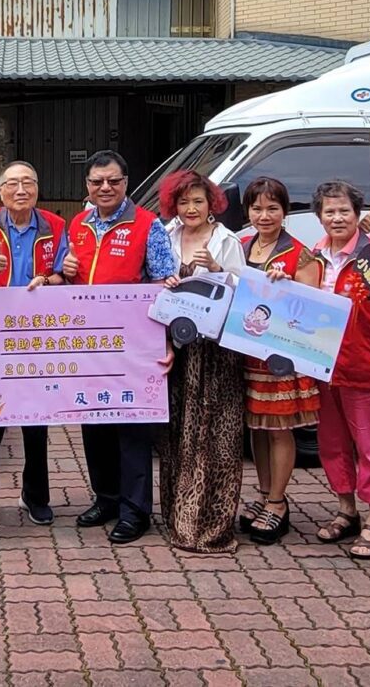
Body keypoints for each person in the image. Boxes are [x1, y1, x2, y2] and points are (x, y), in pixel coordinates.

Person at [63, 150, 178, 545]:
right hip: (89, 345)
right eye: (97, 182)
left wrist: (167, 341)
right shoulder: (77, 224)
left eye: (113, 181)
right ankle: (107, 498)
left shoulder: (149, 226)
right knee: (94, 426)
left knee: (131, 430)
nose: (105, 188)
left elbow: (167, 285)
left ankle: (135, 511)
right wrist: (62, 273)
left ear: (126, 182)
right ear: (88, 186)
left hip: (134, 348)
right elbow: (67, 276)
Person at [0, 160, 67, 528]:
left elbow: (63, 274)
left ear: (37, 188)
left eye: (28, 183)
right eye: (13, 184)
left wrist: (48, 279)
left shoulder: (55, 226)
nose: (21, 190)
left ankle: (36, 497)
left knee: (36, 421)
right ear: (0, 190)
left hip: (36, 335)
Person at [309, 179, 370, 560]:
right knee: (332, 445)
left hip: (368, 367)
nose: (336, 218)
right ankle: (345, 510)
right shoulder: (313, 257)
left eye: (343, 211)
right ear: (319, 216)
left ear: (357, 214)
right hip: (324, 367)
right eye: (329, 211)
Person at [158, 170, 247, 553]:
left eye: (198, 201)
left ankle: (211, 525)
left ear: (213, 204)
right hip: (178, 348)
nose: (190, 208)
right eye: (183, 201)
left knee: (216, 436)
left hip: (216, 352)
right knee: (177, 432)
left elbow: (245, 297)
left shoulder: (228, 241)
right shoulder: (166, 235)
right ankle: (178, 517)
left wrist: (215, 270)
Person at [236, 177, 322, 545]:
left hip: (281, 357)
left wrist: (288, 284)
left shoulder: (299, 254)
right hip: (246, 352)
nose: (264, 215)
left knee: (279, 429)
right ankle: (263, 492)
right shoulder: (240, 246)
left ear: (285, 212)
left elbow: (314, 306)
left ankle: (278, 503)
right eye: (257, 208)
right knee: (256, 427)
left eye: (272, 208)